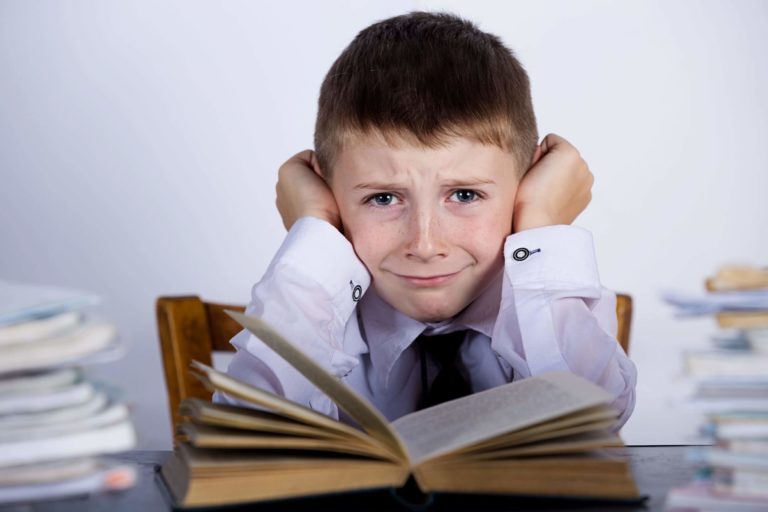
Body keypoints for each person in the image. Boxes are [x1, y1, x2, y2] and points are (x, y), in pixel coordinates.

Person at [216, 11, 636, 429]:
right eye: (383, 198)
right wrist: (315, 229)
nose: (424, 243)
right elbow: (241, 442)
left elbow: (593, 421)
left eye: (465, 194)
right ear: (329, 192)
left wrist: (541, 223)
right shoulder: (314, 315)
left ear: (526, 182)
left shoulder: (557, 311)